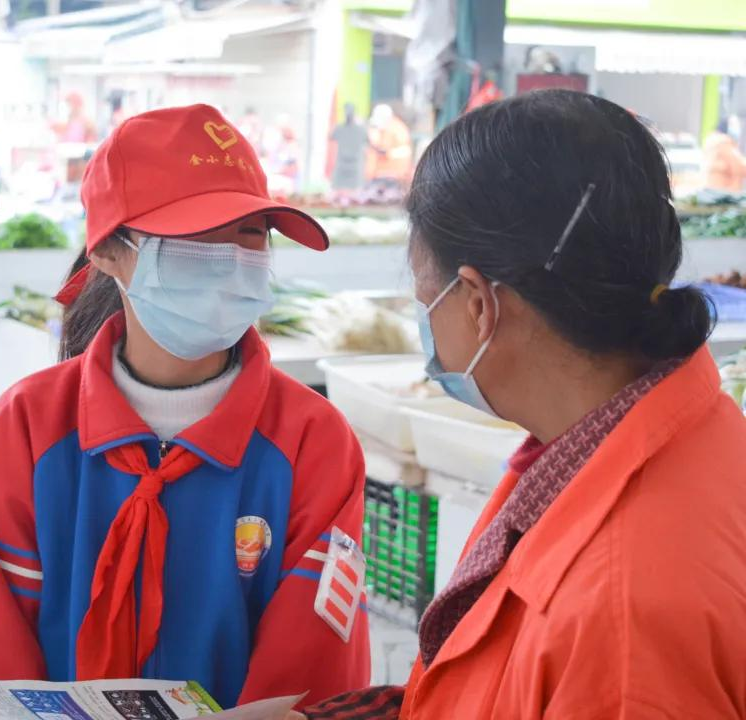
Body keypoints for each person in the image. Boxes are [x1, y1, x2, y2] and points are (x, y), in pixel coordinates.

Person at [299, 90, 746, 720]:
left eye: (425, 300)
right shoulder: (651, 436)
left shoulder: (622, 623)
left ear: (479, 305)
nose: (425, 322)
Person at [0, 104, 370, 709]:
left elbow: (311, 672)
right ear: (108, 252)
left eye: (251, 233)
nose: (230, 258)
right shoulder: (27, 428)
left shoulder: (311, 440)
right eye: (197, 235)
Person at [365, 104, 412, 185]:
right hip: (379, 175)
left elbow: (405, 151)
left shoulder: (398, 130)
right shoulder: (382, 129)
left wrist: (388, 153)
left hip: (393, 177)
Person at [329, 103, 368, 193]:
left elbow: (368, 141)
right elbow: (331, 136)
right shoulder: (340, 128)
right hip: (342, 162)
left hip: (355, 162)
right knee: (338, 187)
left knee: (356, 188)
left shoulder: (360, 129)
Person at [703, 118, 746, 193]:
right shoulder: (724, 144)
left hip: (712, 190)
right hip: (724, 193)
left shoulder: (713, 144)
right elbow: (739, 166)